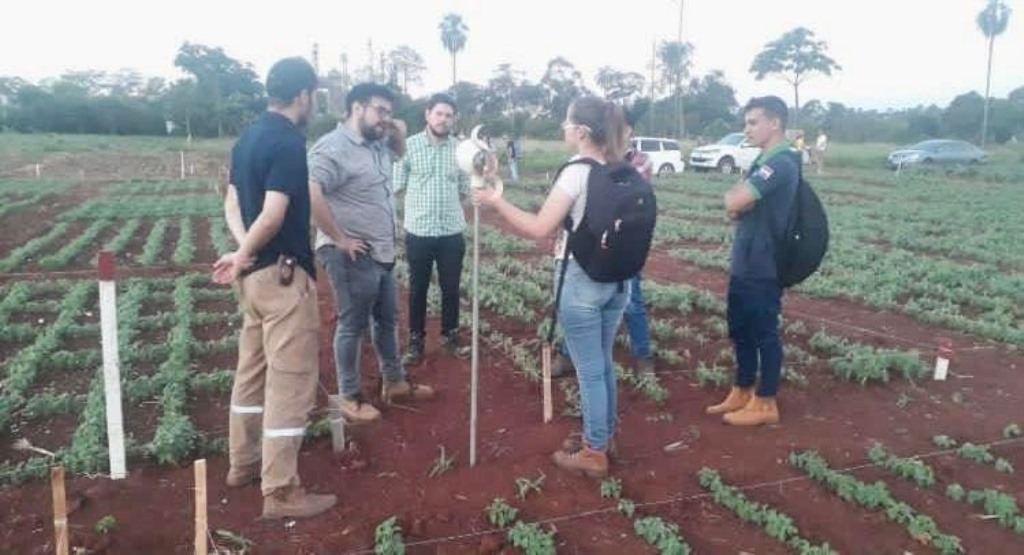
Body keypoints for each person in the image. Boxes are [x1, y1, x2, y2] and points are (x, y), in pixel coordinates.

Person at [473, 96, 630, 478]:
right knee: (602, 363)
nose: (563, 128)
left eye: (566, 122)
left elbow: (539, 228)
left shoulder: (577, 172)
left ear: (581, 132)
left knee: (590, 370)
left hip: (581, 280)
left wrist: (497, 201)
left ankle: (594, 452)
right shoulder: (620, 168)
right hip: (618, 280)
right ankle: (603, 437)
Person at [214, 57, 336, 519]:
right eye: (314, 96)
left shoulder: (247, 139)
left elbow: (232, 203)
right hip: (282, 278)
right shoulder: (287, 142)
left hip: (252, 281)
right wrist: (245, 252)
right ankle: (281, 491)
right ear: (303, 94)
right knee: (291, 382)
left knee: (251, 373)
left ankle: (242, 464)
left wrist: (240, 252)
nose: (313, 104)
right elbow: (273, 213)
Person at [308, 82, 434, 424]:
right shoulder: (332, 148)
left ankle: (394, 382)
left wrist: (396, 129)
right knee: (353, 325)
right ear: (357, 108)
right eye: (381, 110)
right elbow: (311, 192)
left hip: (380, 251)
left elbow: (400, 152)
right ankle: (348, 396)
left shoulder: (377, 142)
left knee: (388, 319)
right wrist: (340, 238)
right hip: (351, 253)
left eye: (389, 113)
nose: (385, 118)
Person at [706, 95, 799, 426]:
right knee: (740, 328)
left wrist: (736, 201)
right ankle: (743, 389)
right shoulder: (762, 162)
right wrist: (735, 203)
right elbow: (733, 207)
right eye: (746, 122)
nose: (746, 128)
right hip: (745, 259)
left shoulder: (782, 163)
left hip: (766, 263)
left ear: (774, 123)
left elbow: (735, 199)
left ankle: (766, 402)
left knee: (764, 332)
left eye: (753, 122)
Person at [551, 109, 655, 378]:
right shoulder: (595, 161)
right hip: (589, 249)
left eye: (623, 128)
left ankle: (643, 357)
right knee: (577, 310)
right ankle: (566, 355)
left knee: (632, 304)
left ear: (629, 131)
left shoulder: (636, 162)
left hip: (621, 245)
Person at [394, 93, 471, 366]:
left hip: (451, 231)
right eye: (439, 113)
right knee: (418, 288)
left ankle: (451, 337)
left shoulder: (461, 150)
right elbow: (395, 185)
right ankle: (416, 342)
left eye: (449, 115)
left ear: (454, 119)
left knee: (451, 288)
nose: (444, 119)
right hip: (419, 232)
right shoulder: (409, 146)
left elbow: (464, 190)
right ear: (428, 115)